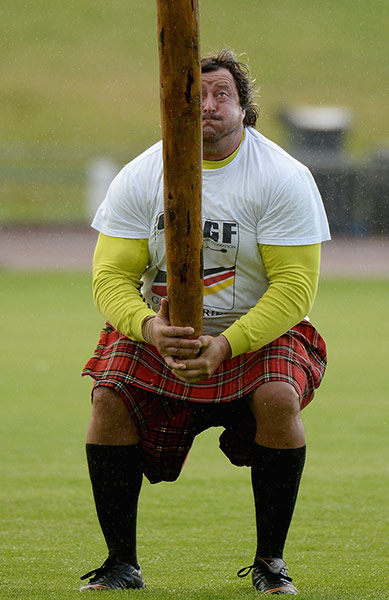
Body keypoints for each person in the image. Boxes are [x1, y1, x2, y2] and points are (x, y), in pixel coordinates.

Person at [80, 49, 330, 595]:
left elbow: (294, 288)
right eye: (197, 94)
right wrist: (148, 328)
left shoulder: (283, 177)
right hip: (161, 329)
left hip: (257, 328)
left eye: (223, 94)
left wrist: (227, 344)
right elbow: (110, 277)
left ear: (245, 108)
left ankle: (271, 562)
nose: (209, 105)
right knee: (110, 398)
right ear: (173, 102)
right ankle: (120, 562)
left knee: (277, 398)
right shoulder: (141, 175)